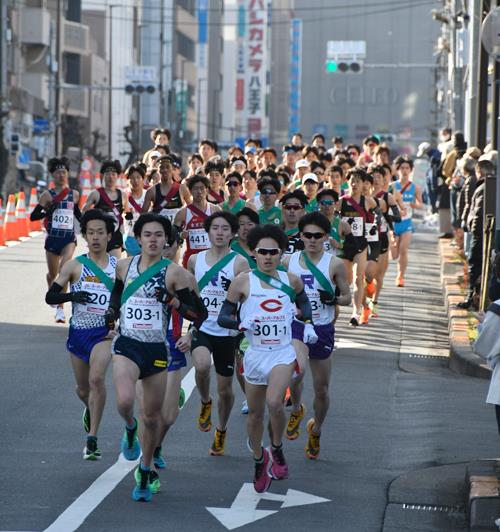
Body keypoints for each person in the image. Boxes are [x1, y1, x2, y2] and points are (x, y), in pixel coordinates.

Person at [105, 213, 207, 501]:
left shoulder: (176, 274)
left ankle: (145, 469)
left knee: (152, 417)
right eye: (147, 234)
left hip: (156, 350)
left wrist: (173, 301)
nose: (153, 239)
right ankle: (128, 427)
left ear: (167, 241)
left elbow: (199, 314)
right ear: (138, 239)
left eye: (159, 235)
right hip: (127, 344)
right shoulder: (124, 266)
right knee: (125, 402)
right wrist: (112, 314)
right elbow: (116, 296)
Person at [217, 224, 315, 493]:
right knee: (255, 416)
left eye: (274, 252)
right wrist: (240, 322)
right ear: (254, 253)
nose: (269, 257)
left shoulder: (290, 280)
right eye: (263, 252)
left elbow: (304, 304)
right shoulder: (242, 282)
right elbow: (223, 316)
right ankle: (260, 460)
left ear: (281, 252)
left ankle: (278, 447)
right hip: (255, 353)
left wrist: (306, 321)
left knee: (275, 402)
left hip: (282, 352)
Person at [45, 210, 116, 460]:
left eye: (100, 232)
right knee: (83, 389)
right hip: (78, 333)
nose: (95, 237)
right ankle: (90, 408)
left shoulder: (121, 268)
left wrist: (116, 319)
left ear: (109, 235)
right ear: (84, 236)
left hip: (104, 335)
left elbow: (128, 300)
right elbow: (50, 297)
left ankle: (92, 439)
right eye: (91, 232)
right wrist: (72, 296)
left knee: (97, 379)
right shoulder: (74, 265)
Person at [284, 212, 350, 458]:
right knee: (295, 373)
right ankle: (297, 409)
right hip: (297, 326)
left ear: (326, 237)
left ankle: (317, 429)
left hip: (322, 327)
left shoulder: (334, 264)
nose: (312, 240)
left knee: (321, 388)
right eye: (307, 235)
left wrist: (333, 299)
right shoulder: (287, 261)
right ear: (300, 236)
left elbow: (347, 296)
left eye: (317, 236)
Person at [187, 212, 247, 455]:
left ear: (233, 233)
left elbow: (246, 296)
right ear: (208, 232)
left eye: (225, 229)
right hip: (202, 326)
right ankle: (204, 401)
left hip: (227, 332)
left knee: (225, 390)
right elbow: (190, 294)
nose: (220, 233)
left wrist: (233, 292)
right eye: (215, 228)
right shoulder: (195, 260)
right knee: (201, 366)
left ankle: (221, 430)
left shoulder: (240, 263)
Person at [30, 156, 80, 323]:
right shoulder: (47, 195)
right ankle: (50, 282)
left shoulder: (74, 194)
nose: (61, 175)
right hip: (52, 239)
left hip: (68, 239)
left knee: (64, 270)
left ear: (68, 174)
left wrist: (90, 226)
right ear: (53, 175)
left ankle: (60, 309)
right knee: (53, 274)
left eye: (64, 172)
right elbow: (33, 216)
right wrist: (46, 212)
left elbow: (78, 215)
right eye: (58, 172)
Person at [336, 168, 377, 326]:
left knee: (359, 278)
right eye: (352, 180)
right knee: (347, 280)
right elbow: (333, 217)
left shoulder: (367, 201)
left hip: (361, 244)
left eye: (358, 181)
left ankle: (356, 313)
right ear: (347, 182)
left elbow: (378, 211)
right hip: (345, 245)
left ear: (363, 184)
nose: (354, 184)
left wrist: (374, 226)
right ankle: (365, 304)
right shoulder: (342, 201)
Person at [82, 160, 129, 259]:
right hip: (98, 237)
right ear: (103, 176)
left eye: (113, 174)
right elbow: (84, 212)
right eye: (107, 174)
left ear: (117, 176)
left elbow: (127, 213)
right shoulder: (95, 194)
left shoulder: (123, 195)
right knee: (98, 269)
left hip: (115, 236)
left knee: (114, 266)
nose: (110, 177)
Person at [173, 175, 220, 268]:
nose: (199, 192)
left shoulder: (215, 210)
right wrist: (181, 235)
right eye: (195, 188)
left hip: (212, 258)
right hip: (192, 259)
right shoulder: (182, 213)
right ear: (190, 191)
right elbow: (173, 236)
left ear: (207, 190)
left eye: (202, 188)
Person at [392, 156, 423, 287]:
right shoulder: (392, 186)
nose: (404, 171)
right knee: (394, 254)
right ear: (398, 170)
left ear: (410, 170)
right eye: (402, 168)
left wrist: (415, 204)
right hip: (393, 223)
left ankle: (401, 276)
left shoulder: (415, 187)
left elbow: (420, 203)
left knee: (404, 250)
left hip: (407, 223)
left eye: (407, 168)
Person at [141, 155, 186, 223]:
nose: (165, 170)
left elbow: (191, 210)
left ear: (172, 169)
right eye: (162, 167)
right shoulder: (151, 191)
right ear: (158, 169)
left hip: (177, 231)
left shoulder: (182, 188)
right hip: (159, 230)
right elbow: (143, 215)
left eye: (168, 167)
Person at [124, 163, 147, 257]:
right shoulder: (123, 196)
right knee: (131, 267)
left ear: (143, 179)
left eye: (138, 177)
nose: (135, 181)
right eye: (132, 178)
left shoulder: (148, 195)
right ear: (128, 180)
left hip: (146, 236)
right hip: (131, 237)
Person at [280, 190, 306, 255]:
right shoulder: (274, 235)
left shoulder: (309, 237)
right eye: (288, 207)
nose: (292, 210)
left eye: (296, 207)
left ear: (303, 211)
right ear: (283, 210)